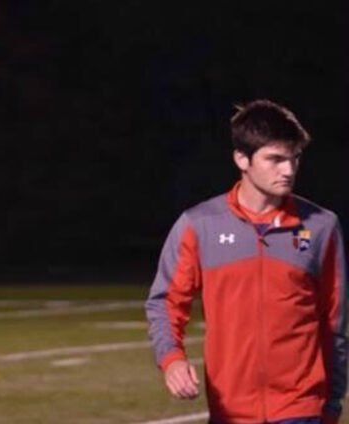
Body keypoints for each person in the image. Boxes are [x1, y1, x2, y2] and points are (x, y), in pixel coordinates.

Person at [145, 99, 347, 423]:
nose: (289, 170)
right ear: (242, 158)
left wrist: (333, 403)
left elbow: (333, 323)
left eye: (294, 158)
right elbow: (166, 301)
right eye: (275, 159)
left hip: (302, 408)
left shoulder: (322, 226)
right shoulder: (199, 225)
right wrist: (171, 359)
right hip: (230, 410)